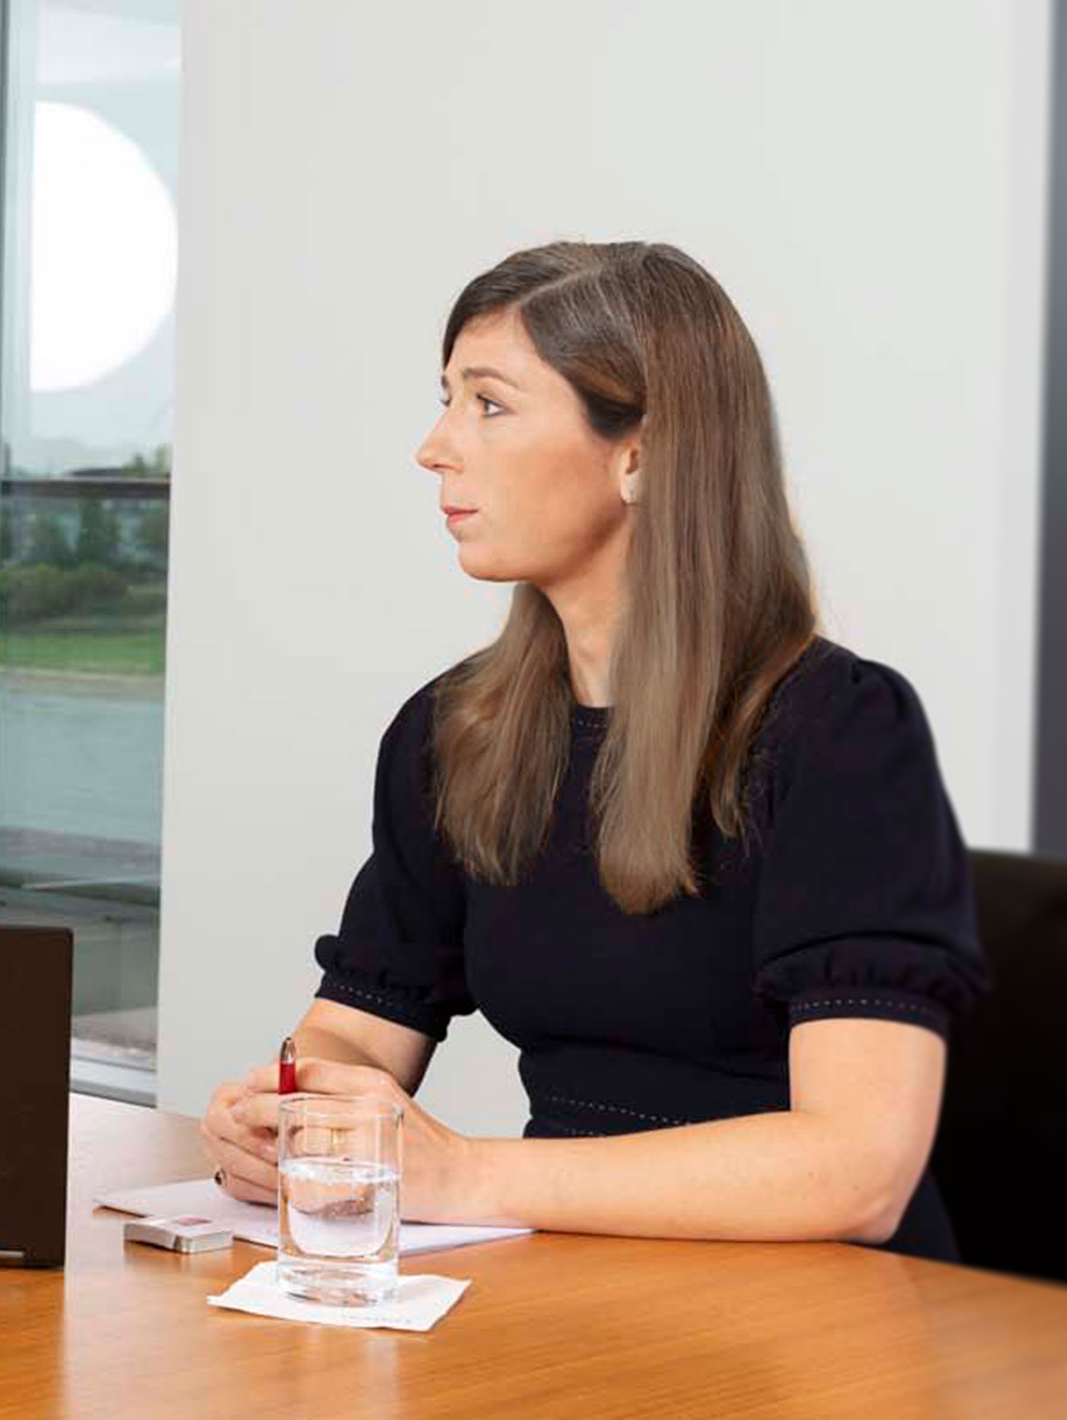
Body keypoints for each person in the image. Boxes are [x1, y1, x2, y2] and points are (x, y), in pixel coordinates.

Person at [201, 241, 989, 1257]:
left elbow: (857, 1169)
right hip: (581, 1280)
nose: (434, 447)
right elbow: (358, 1024)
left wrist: (468, 1174)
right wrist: (295, 1106)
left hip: (825, 1316)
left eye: (487, 404)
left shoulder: (840, 735)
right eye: (445, 399)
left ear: (641, 453)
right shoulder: (454, 736)